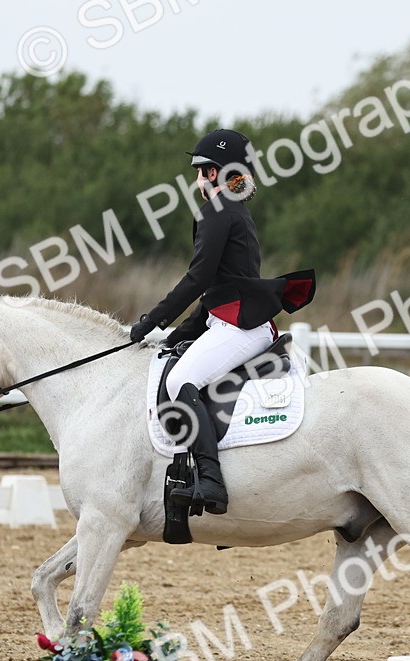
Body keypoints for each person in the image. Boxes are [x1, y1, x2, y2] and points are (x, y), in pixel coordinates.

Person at [128, 129, 315, 515]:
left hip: (239, 328)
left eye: (200, 172)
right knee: (176, 364)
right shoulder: (233, 210)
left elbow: (197, 279)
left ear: (215, 174)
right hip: (230, 320)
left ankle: (211, 480)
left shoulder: (217, 209)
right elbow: (217, 291)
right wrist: (174, 335)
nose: (197, 181)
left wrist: (150, 322)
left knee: (181, 380)